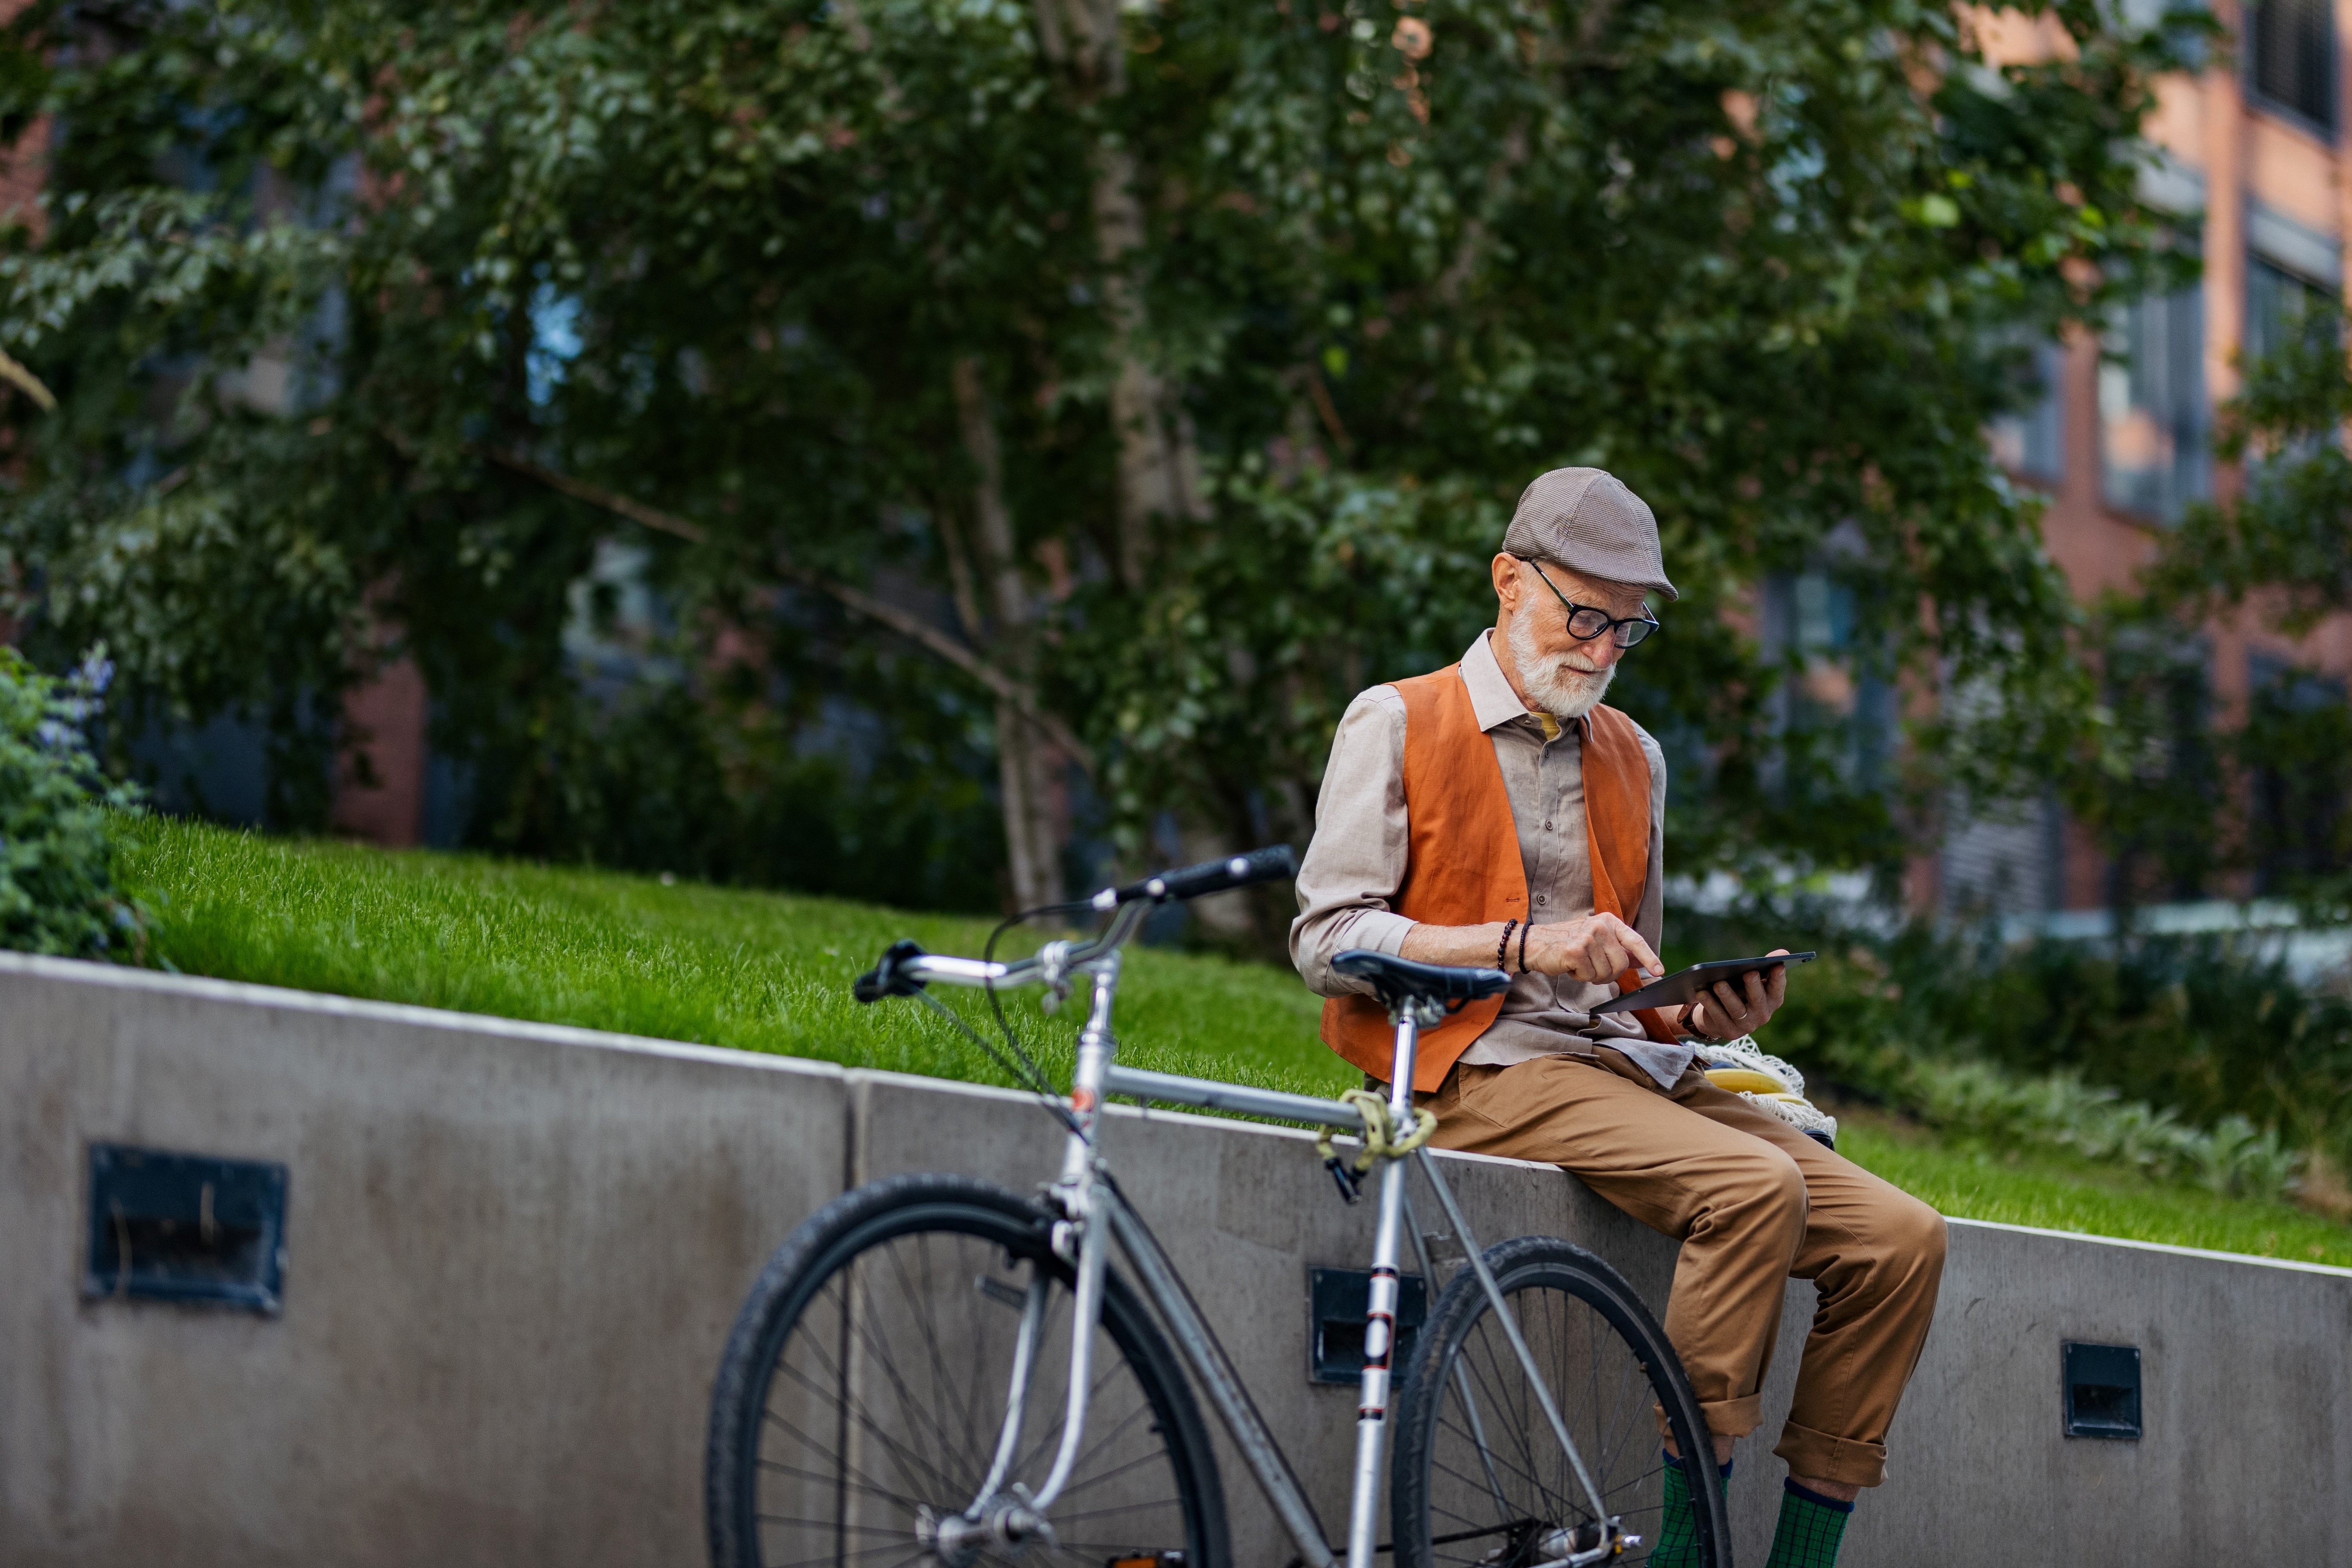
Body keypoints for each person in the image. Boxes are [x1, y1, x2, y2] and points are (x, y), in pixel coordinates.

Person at [1290, 468, 1946, 1568]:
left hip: (1617, 1072)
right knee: (1754, 1187)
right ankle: (1690, 1555)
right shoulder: (1398, 720)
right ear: (1508, 582)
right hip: (1474, 1070)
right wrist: (1519, 948)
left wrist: (1693, 1012)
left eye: (1625, 629)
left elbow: (1625, 992)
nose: (1600, 650)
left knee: (1901, 1240)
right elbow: (1327, 942)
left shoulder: (1632, 754)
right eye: (1580, 616)